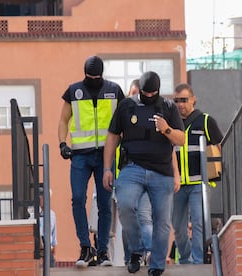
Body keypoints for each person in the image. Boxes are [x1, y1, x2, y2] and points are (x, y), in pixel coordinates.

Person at [103, 71, 185, 276]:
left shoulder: (168, 107)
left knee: (162, 220)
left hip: (162, 171)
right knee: (125, 206)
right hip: (132, 168)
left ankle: (157, 264)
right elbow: (112, 137)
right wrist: (107, 169)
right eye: (145, 93)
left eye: (153, 93)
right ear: (140, 90)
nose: (149, 96)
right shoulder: (126, 106)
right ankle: (136, 250)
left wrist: (166, 129)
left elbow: (181, 139)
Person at [58, 55, 125, 267]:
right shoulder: (74, 91)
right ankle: (86, 247)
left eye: (96, 77)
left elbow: (123, 120)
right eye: (89, 77)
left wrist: (124, 147)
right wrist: (62, 143)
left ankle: (103, 250)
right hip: (80, 155)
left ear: (101, 75)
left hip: (106, 155)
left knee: (105, 203)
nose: (92, 80)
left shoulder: (114, 91)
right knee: (78, 198)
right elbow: (63, 119)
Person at [171, 83, 223, 264]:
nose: (179, 104)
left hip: (198, 184)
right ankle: (185, 260)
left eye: (184, 100)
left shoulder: (206, 121)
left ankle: (198, 261)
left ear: (193, 99)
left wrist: (214, 173)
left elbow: (219, 147)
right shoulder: (171, 123)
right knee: (177, 227)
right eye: (176, 100)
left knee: (199, 223)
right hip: (176, 185)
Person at [121, 79, 153, 266]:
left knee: (143, 215)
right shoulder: (122, 116)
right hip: (125, 175)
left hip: (148, 174)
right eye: (133, 92)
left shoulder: (151, 116)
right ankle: (131, 257)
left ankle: (148, 252)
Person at [39, 189, 57, 267]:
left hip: (48, 246)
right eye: (41, 197)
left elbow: (53, 232)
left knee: (51, 263)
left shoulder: (52, 214)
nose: (42, 200)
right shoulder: (34, 213)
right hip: (38, 243)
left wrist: (54, 245)